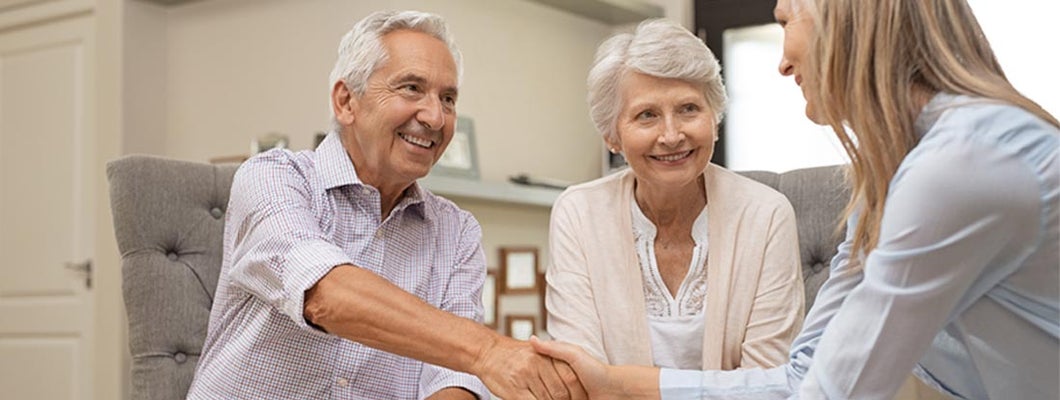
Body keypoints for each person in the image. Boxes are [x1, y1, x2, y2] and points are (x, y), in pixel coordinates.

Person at [533, 0, 1060, 398]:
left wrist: (617, 385)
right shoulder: (892, 181)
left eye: (787, 20)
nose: (783, 62)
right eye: (646, 115)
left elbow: (832, 392)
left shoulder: (960, 167)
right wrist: (616, 383)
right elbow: (806, 375)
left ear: (844, 17)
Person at [187, 10, 584, 400]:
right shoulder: (273, 177)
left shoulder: (457, 231)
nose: (435, 117)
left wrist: (477, 366)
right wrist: (489, 352)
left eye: (448, 98)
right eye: (411, 88)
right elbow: (325, 294)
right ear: (346, 102)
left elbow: (453, 378)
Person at [545, 17, 804, 374]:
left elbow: (768, 382)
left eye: (688, 109)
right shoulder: (578, 213)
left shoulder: (767, 214)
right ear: (611, 136)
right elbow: (580, 373)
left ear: (714, 118)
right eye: (647, 115)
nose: (671, 135)